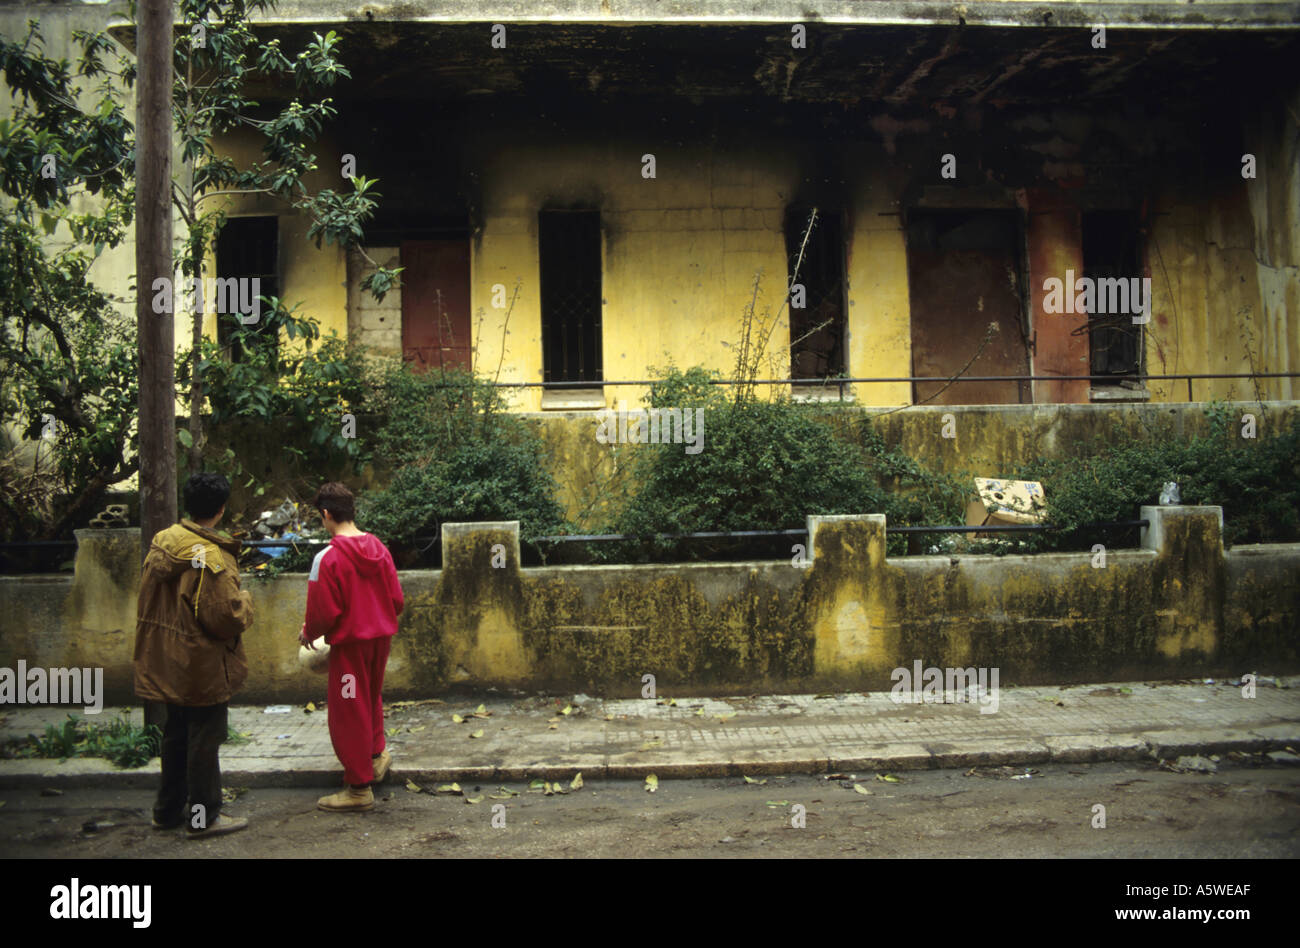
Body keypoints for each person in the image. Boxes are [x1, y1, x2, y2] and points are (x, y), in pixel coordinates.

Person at [134, 471, 254, 839]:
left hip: (167, 659)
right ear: (220, 510)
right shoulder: (211, 557)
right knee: (205, 737)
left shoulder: (165, 542)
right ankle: (204, 818)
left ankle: (166, 812)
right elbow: (225, 618)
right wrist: (246, 602)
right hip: (200, 664)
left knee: (175, 733)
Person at [300, 482, 404, 812]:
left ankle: (358, 788)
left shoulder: (327, 558)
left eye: (322, 516)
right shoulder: (380, 549)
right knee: (370, 696)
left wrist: (308, 633)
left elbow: (322, 612)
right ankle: (375, 755)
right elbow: (396, 600)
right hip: (379, 640)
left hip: (349, 647)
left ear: (327, 514)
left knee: (348, 709)